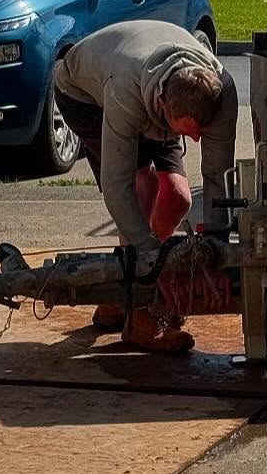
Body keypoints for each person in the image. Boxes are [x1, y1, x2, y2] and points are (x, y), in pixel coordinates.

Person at [52, 21, 238, 351]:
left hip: (152, 89)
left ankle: (118, 294)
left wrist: (215, 248)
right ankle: (139, 313)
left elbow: (216, 177)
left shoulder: (221, 90)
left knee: (179, 197)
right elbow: (117, 186)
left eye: (201, 130)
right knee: (143, 188)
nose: (196, 139)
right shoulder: (124, 93)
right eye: (189, 131)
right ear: (164, 106)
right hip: (85, 93)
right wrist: (153, 261)